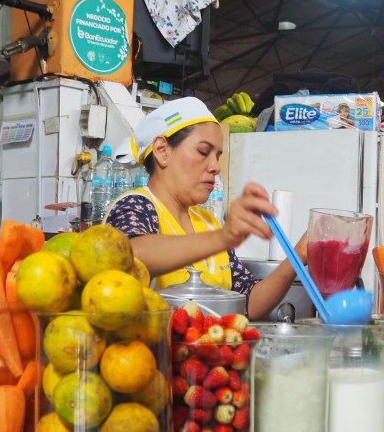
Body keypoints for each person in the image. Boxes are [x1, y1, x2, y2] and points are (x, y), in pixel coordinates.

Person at [104, 97, 304, 320]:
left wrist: (299, 257)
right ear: (162, 151)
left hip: (208, 353)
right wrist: (224, 236)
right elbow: (131, 254)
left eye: (218, 156)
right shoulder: (136, 206)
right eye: (202, 152)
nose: (216, 167)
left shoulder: (207, 222)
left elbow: (247, 302)